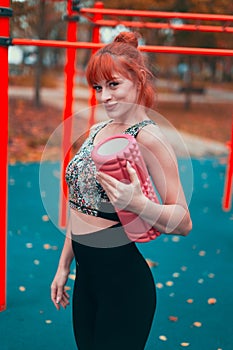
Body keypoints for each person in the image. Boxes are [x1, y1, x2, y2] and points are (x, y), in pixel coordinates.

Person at [50, 31, 192, 350]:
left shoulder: (149, 138)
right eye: (98, 88)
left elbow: (183, 222)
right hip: (87, 281)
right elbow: (79, 206)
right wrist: (63, 267)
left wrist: (137, 203)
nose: (105, 97)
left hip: (124, 285)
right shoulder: (99, 130)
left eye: (114, 85)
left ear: (138, 81)